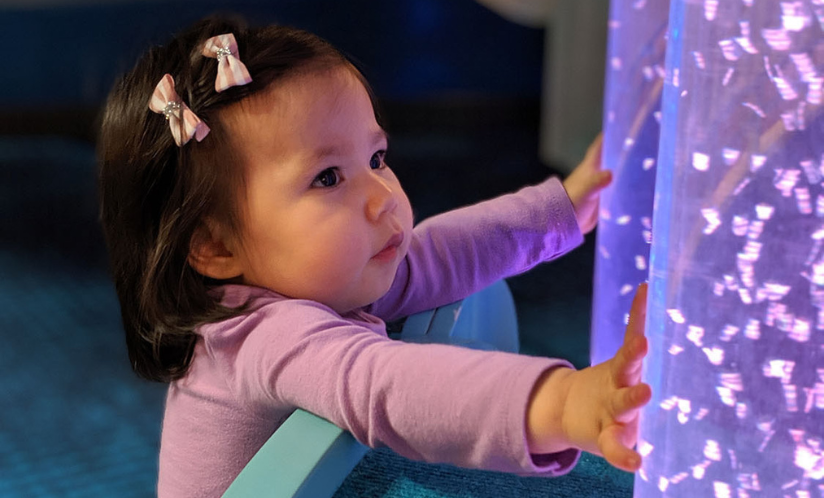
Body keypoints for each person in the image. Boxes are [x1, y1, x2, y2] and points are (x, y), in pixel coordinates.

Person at [97, 15, 651, 498]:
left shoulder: (324, 274)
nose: (384, 195)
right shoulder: (261, 338)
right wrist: (565, 404)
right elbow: (388, 388)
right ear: (216, 247)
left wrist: (563, 211)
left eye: (378, 157)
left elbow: (440, 252)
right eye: (329, 177)